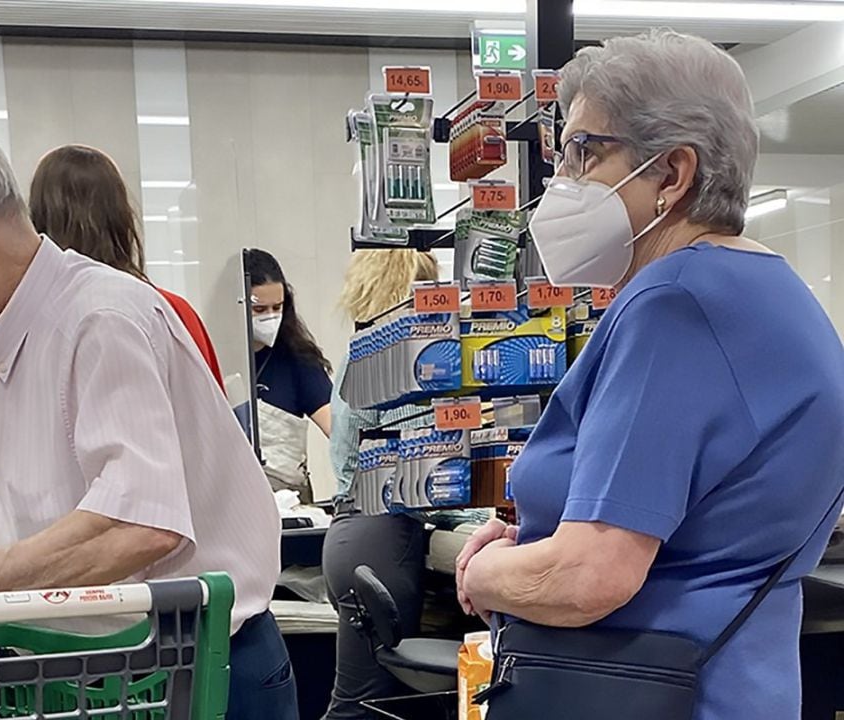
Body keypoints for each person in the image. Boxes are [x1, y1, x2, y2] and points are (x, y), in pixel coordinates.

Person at [0, 97, 296, 720]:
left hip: (195, 680)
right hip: (93, 678)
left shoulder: (100, 321)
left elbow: (138, 524)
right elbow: (16, 521)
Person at [456, 31, 844, 720]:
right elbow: (696, 532)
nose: (563, 181)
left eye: (585, 152)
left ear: (673, 174)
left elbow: (588, 575)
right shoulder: (770, 296)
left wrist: (482, 572)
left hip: (644, 692)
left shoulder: (677, 305)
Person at [0, 143, 224, 459]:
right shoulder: (170, 312)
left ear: (34, 220)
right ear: (123, 219)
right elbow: (211, 441)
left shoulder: (1, 334)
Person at [322, 249, 439, 720]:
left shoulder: (362, 355)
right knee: (364, 707)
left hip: (350, 534)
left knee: (367, 702)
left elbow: (345, 457)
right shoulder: (407, 363)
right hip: (381, 538)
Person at [243, 248, 332, 504]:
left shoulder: (298, 360)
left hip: (288, 498)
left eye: (277, 307)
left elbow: (337, 428)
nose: (270, 317)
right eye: (259, 309)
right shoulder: (210, 356)